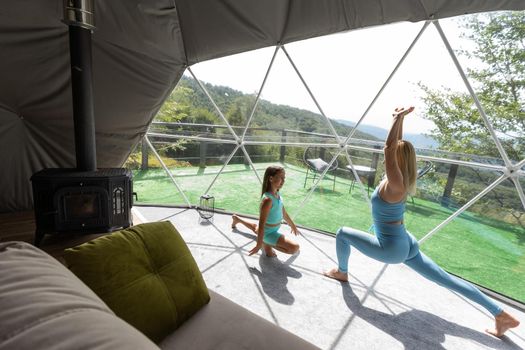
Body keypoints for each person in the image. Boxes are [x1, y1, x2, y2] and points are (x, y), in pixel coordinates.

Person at [323, 106, 520, 338]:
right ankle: (501, 314)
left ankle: (342, 272)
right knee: (447, 279)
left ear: (396, 160)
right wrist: (400, 120)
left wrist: (396, 118)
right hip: (406, 242)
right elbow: (395, 146)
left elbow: (388, 148)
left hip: (392, 248)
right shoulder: (400, 179)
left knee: (342, 232)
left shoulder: (395, 183)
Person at [231, 165, 300, 257]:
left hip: (271, 229)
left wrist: (293, 225)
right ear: (271, 178)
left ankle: (237, 219)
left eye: (284, 178)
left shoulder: (277, 194)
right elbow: (261, 224)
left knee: (255, 228)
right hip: (268, 233)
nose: (283, 181)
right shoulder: (268, 200)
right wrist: (259, 245)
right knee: (294, 248)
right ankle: (265, 243)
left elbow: (284, 213)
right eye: (280, 178)